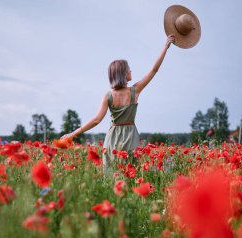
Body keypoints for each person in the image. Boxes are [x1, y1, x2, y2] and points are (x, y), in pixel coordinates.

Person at [61, 34, 175, 171]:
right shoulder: (135, 91)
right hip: (131, 137)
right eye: (128, 69)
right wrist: (165, 47)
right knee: (131, 175)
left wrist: (73, 134)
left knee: (112, 178)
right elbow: (154, 70)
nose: (131, 70)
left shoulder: (108, 96)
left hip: (112, 140)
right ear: (123, 73)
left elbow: (96, 120)